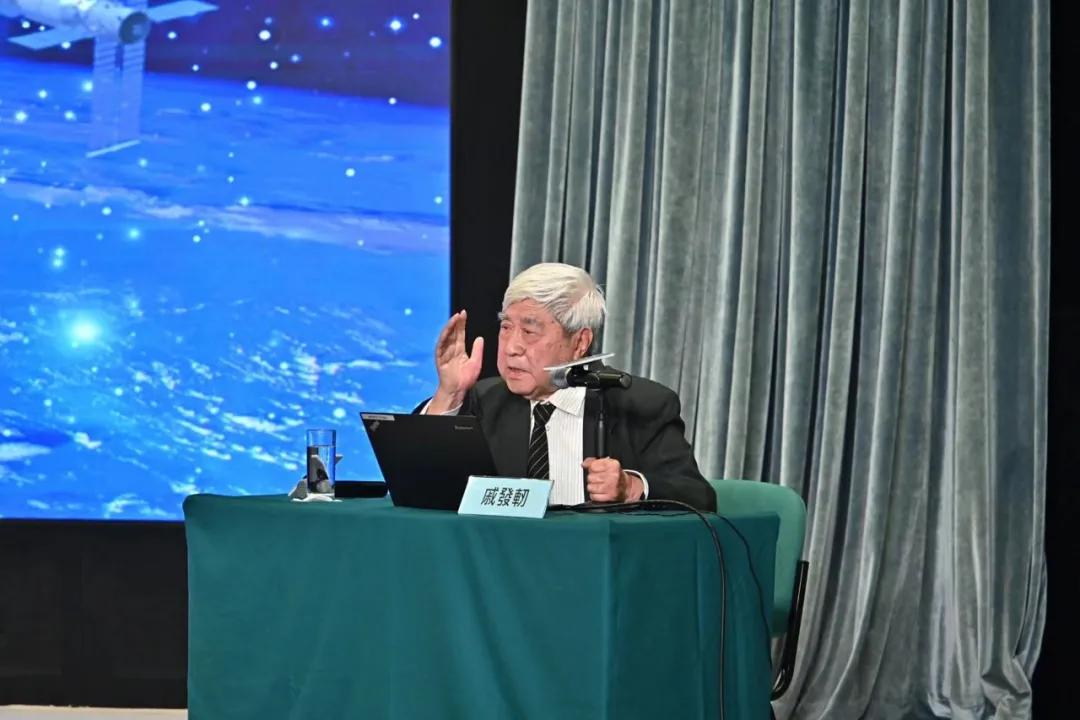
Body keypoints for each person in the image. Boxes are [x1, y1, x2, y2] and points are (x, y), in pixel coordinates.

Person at [425, 262, 715, 511]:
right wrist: (449, 393)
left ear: (579, 343)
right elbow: (423, 480)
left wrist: (630, 487)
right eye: (506, 327)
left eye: (529, 331)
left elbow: (698, 496)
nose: (512, 347)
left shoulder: (640, 405)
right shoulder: (484, 401)